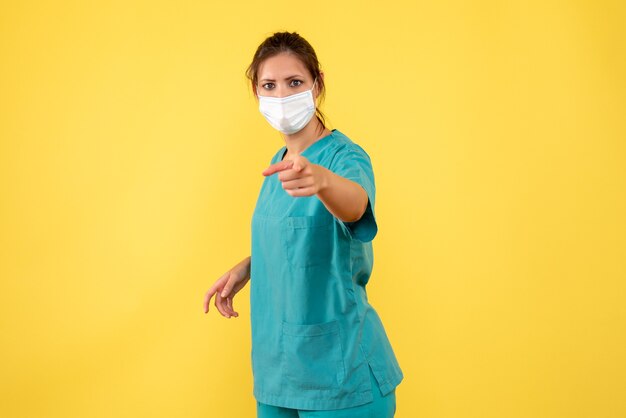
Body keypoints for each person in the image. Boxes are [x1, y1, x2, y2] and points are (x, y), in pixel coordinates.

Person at [203, 31, 404, 418]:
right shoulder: (277, 163)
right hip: (278, 373)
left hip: (341, 377)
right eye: (269, 85)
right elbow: (298, 237)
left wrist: (324, 181)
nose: (281, 95)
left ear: (318, 84)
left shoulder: (344, 158)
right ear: (256, 92)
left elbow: (356, 207)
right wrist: (249, 265)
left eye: (294, 82)